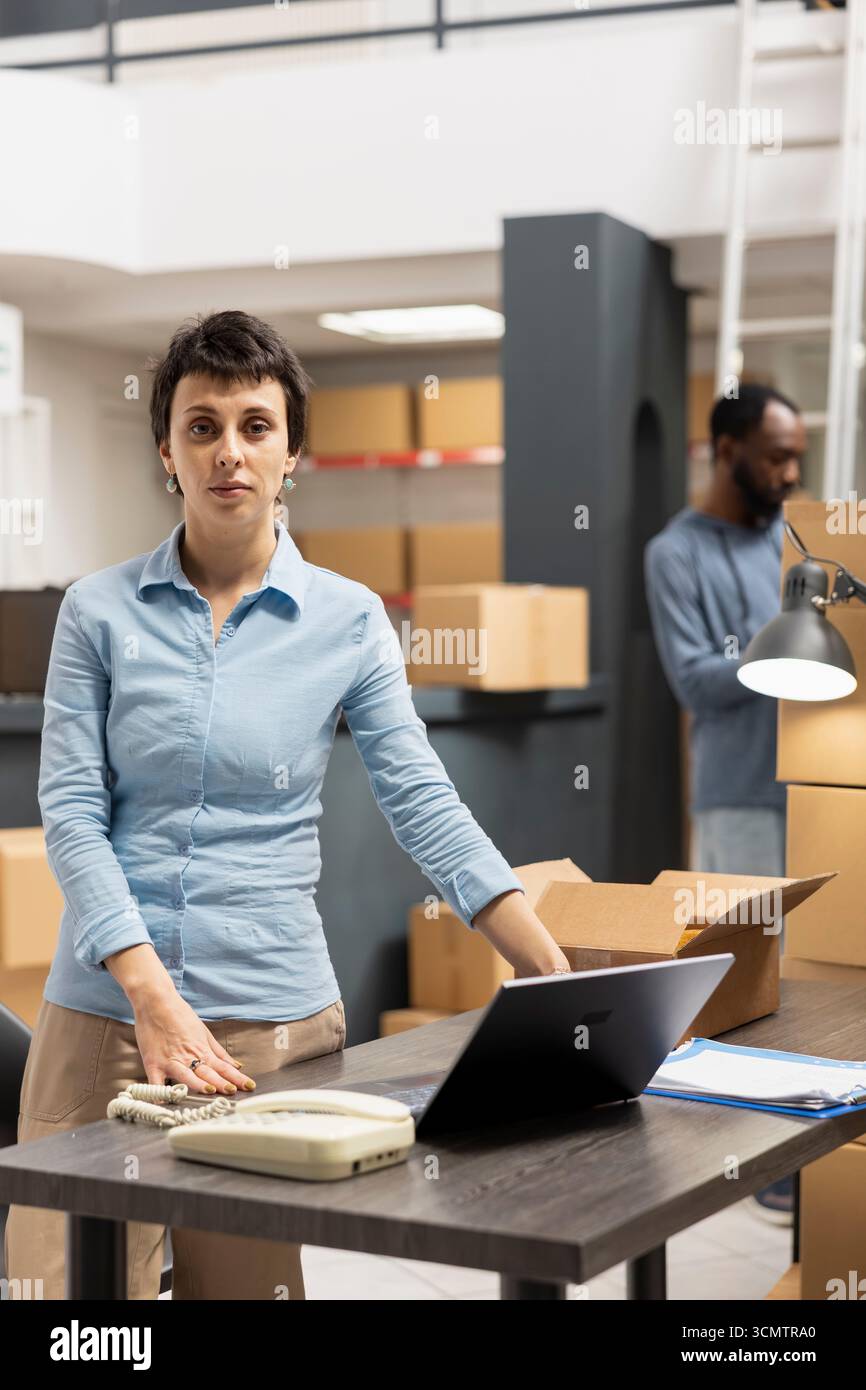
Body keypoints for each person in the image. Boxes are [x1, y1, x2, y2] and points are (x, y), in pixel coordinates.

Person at [6, 309, 571, 1300]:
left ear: (292, 451)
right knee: (72, 1307)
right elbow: (73, 809)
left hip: (265, 1028)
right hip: (105, 1015)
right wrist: (148, 994)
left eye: (255, 425)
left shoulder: (349, 619)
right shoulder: (96, 613)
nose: (230, 451)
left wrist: (537, 957)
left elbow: (417, 792)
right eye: (202, 425)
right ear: (166, 450)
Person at [644, 382, 805, 1222]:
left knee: (816, 981)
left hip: (816, 793)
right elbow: (698, 682)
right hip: (740, 797)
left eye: (796, 457)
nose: (790, 471)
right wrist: (794, 654)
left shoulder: (792, 536)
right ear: (728, 451)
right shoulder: (678, 553)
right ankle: (763, 1160)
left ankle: (819, 1141)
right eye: (776, 455)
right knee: (751, 988)